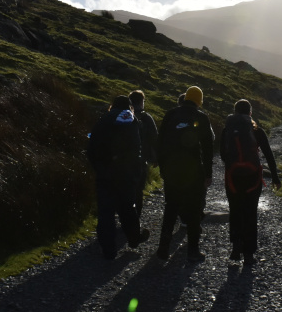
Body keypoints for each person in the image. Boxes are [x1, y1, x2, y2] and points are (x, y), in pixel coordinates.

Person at [86, 95, 151, 259]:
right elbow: (137, 150)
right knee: (128, 208)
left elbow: (91, 148)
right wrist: (136, 172)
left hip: (106, 175)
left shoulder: (103, 120)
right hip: (126, 174)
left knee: (106, 213)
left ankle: (109, 250)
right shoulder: (132, 121)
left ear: (112, 105)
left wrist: (99, 168)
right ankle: (134, 238)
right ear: (130, 106)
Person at [156, 85, 215, 261]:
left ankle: (163, 248)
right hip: (194, 172)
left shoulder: (170, 115)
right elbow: (208, 149)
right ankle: (193, 251)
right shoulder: (201, 117)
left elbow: (160, 142)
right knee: (194, 210)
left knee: (171, 207)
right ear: (199, 101)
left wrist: (163, 167)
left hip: (171, 171)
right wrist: (208, 174)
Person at [221, 99, 281, 265]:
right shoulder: (257, 131)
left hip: (232, 178)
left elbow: (222, 154)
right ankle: (248, 253)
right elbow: (269, 155)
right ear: (250, 113)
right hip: (252, 178)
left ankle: (235, 246)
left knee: (235, 210)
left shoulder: (227, 129)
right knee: (250, 212)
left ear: (234, 112)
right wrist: (275, 177)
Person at [128, 90, 158, 219]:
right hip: (141, 160)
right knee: (138, 190)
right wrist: (156, 158)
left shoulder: (124, 116)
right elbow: (154, 138)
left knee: (125, 189)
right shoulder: (146, 118)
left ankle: (125, 215)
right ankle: (135, 217)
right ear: (141, 101)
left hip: (122, 161)